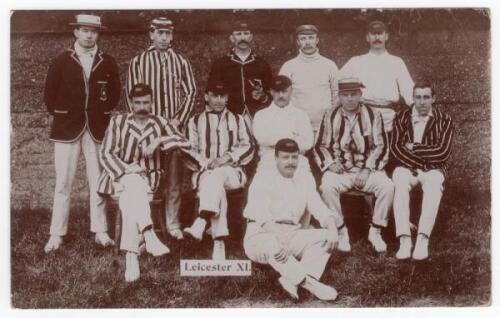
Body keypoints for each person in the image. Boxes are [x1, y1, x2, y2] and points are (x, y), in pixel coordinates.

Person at [97, 84, 193, 282]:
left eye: (146, 103)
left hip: (149, 181)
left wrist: (159, 140)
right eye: (138, 102)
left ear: (152, 103)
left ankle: (132, 256)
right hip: (118, 179)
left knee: (132, 195)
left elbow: (186, 143)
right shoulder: (118, 122)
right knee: (132, 183)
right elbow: (105, 153)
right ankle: (148, 234)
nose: (142, 106)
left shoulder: (160, 122)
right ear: (131, 103)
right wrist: (127, 169)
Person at [43, 14, 120, 253]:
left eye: (94, 31)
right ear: (75, 32)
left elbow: (115, 92)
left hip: (96, 128)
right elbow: (49, 95)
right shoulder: (61, 60)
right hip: (67, 128)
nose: (89, 35)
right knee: (63, 182)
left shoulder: (107, 61)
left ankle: (100, 231)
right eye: (85, 30)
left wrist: (102, 113)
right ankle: (56, 233)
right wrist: (65, 113)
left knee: (98, 180)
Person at [126, 17, 197, 240]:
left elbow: (192, 92)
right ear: (151, 34)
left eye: (168, 33)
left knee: (174, 177)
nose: (164, 38)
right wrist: (150, 124)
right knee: (148, 172)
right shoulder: (138, 61)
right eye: (160, 33)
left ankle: (173, 223)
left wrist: (178, 120)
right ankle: (144, 223)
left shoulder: (181, 62)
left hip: (174, 128)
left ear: (172, 35)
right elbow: (133, 96)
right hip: (149, 128)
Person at [243, 138, 339, 301]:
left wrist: (332, 228)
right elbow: (260, 215)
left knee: (325, 238)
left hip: (292, 233)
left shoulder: (304, 178)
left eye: (294, 157)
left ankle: (290, 279)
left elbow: (318, 206)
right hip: (262, 235)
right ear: (276, 158)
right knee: (273, 246)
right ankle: (310, 284)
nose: (290, 162)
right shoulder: (263, 178)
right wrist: (279, 237)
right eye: (285, 157)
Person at [314, 77, 394, 253]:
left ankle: (376, 231)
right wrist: (330, 163)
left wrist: (367, 170)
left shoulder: (374, 114)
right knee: (327, 187)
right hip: (341, 170)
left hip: (367, 170)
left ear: (360, 95)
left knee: (387, 187)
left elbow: (381, 145)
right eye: (345, 95)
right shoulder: (330, 114)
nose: (349, 99)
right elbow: (320, 145)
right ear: (340, 96)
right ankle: (341, 230)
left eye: (353, 94)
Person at [182, 80, 255, 260]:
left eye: (222, 96)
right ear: (206, 96)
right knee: (216, 184)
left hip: (232, 172)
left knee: (219, 174)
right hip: (204, 172)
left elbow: (249, 147)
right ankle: (219, 241)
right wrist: (207, 163)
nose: (218, 100)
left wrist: (226, 159)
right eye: (214, 95)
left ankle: (202, 220)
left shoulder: (238, 119)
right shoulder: (195, 121)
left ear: (227, 98)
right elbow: (188, 150)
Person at [390, 81, 454, 260]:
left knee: (434, 183)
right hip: (406, 167)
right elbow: (396, 149)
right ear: (413, 99)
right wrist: (417, 162)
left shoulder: (445, 120)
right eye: (418, 97)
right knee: (399, 179)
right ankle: (404, 239)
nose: (422, 102)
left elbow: (442, 152)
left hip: (433, 169)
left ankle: (422, 238)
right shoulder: (401, 117)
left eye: (426, 97)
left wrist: (415, 148)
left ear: (433, 98)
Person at [340, 20, 414, 136]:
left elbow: (408, 90)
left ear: (386, 36)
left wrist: (418, 109)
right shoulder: (356, 62)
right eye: (373, 34)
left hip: (389, 117)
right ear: (367, 37)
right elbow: (338, 85)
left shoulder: (396, 62)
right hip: (362, 116)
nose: (376, 37)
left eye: (380, 33)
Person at [279, 24, 340, 135]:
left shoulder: (329, 65)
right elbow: (281, 96)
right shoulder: (288, 66)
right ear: (297, 42)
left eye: (311, 37)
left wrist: (331, 117)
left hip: (324, 125)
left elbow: (337, 93)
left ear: (317, 40)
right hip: (297, 125)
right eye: (303, 38)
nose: (307, 42)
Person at [208, 20, 273, 121]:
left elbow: (271, 94)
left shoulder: (262, 64)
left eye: (246, 33)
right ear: (231, 38)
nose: (243, 38)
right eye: (238, 34)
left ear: (251, 37)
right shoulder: (220, 64)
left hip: (256, 116)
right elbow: (211, 94)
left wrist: (263, 96)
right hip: (229, 117)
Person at [252, 75, 314, 174]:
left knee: (305, 186)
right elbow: (262, 139)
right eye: (277, 91)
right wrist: (293, 136)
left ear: (291, 91)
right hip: (269, 160)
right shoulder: (261, 115)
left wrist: (274, 140)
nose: (281, 95)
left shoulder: (301, 115)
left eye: (284, 91)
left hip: (296, 159)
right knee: (262, 188)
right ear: (271, 92)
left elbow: (307, 143)